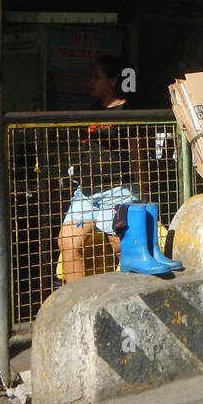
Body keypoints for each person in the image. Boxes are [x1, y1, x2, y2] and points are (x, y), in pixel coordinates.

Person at [57, 56, 140, 282]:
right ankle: (77, 303)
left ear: (112, 80)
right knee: (67, 242)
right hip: (86, 192)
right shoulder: (91, 110)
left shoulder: (128, 111)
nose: (90, 82)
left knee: (121, 247)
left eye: (96, 77)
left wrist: (142, 191)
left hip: (117, 190)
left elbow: (136, 154)